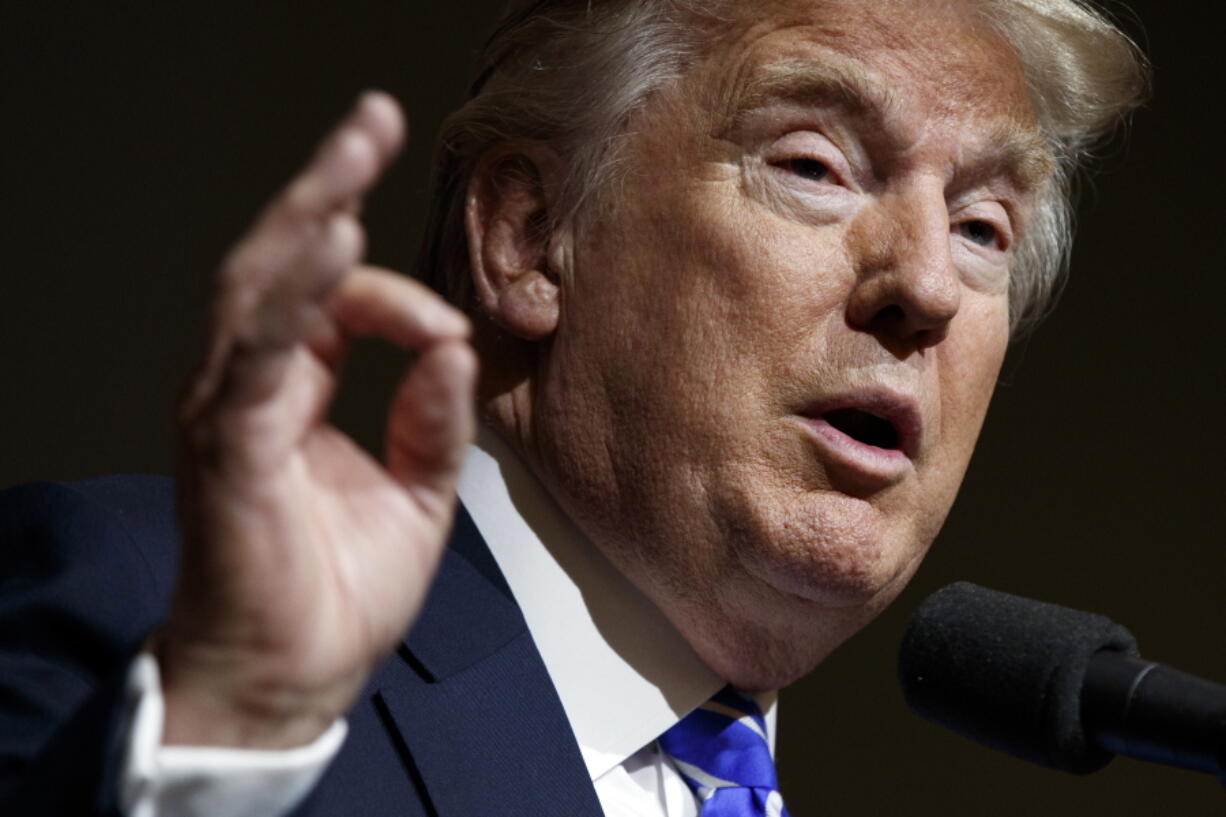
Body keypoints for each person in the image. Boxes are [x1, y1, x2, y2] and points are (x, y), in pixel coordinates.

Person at [0, 0, 1148, 815]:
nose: (928, 285)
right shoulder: (163, 616)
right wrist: (221, 745)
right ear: (527, 238)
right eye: (813, 165)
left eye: (982, 228)